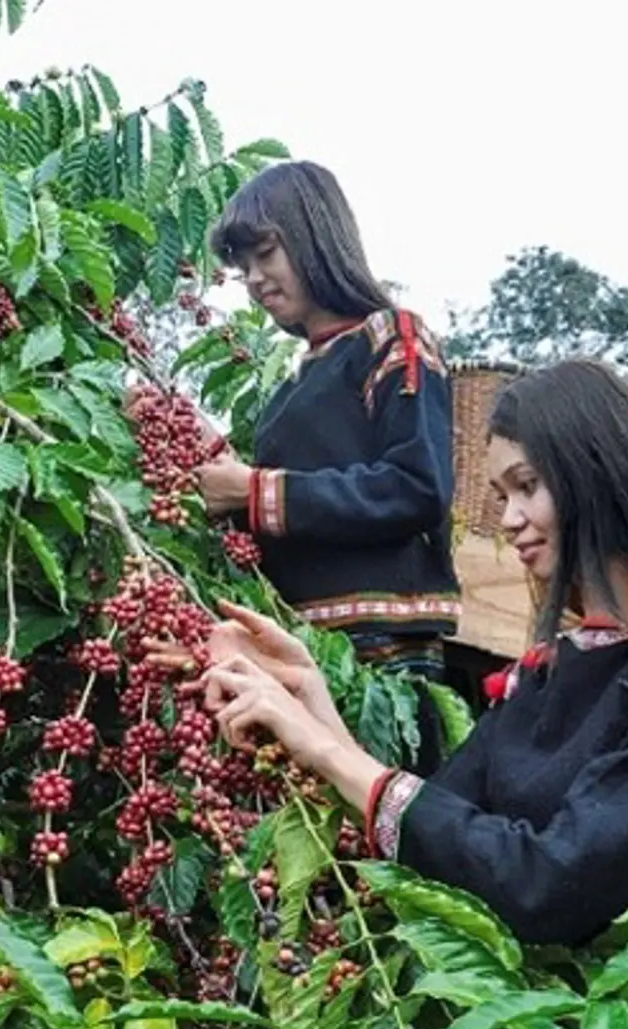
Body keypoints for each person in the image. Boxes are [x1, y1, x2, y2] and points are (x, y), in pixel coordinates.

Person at [185, 360, 628, 947]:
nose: (508, 518)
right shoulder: (557, 665)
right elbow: (445, 831)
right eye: (501, 494)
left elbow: (549, 885)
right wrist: (308, 695)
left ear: (601, 475)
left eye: (527, 487)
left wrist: (320, 746)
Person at [193, 161, 460, 772]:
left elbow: (419, 487)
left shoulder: (393, 338)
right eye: (243, 269)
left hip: (382, 665)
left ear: (315, 236)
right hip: (297, 653)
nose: (255, 279)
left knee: (382, 834)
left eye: (265, 254)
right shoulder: (295, 383)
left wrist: (253, 492)